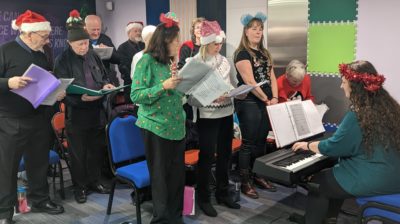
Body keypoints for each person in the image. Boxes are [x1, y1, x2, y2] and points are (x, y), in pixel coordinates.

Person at [291, 60, 400, 224]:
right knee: (335, 174)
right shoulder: (388, 107)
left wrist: (307, 145)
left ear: (355, 86)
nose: (341, 87)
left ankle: (311, 221)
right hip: (394, 175)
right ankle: (329, 219)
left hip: (377, 177)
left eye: (343, 82)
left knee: (319, 182)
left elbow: (334, 147)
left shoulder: (359, 114)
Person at [0, 10, 64, 223]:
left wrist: (56, 92)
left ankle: (40, 199)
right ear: (28, 34)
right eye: (44, 36)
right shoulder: (5, 51)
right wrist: (8, 83)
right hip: (11, 120)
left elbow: (45, 81)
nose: (47, 41)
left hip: (38, 117)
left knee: (39, 163)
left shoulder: (41, 52)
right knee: (7, 168)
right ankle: (5, 212)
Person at [130, 12, 185, 224]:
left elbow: (176, 95)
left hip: (175, 125)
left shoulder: (170, 62)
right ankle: (161, 220)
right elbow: (136, 95)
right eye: (176, 40)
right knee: (161, 178)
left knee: (177, 177)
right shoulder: (146, 61)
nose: (179, 44)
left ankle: (175, 217)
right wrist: (163, 86)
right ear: (165, 41)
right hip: (155, 126)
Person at [54, 10, 113, 204]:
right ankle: (80, 187)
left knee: (96, 150)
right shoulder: (62, 61)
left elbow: (104, 76)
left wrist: (106, 85)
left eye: (86, 43)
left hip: (97, 111)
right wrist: (80, 100)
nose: (84, 47)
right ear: (70, 43)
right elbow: (61, 91)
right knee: (78, 154)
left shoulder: (93, 55)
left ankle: (95, 181)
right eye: (80, 44)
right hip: (77, 114)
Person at [187, 20, 240, 217]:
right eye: (215, 43)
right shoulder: (194, 63)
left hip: (226, 113)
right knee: (207, 157)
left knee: (225, 154)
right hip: (207, 115)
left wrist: (237, 92)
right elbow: (188, 95)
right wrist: (210, 96)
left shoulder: (225, 61)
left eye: (220, 43)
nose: (218, 47)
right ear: (205, 43)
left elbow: (234, 83)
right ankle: (203, 198)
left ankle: (223, 192)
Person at [233, 12, 278, 199]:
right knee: (249, 142)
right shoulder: (242, 53)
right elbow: (250, 82)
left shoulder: (265, 53)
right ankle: (245, 181)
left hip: (266, 101)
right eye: (254, 29)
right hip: (250, 101)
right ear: (246, 31)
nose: (258, 32)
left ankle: (258, 175)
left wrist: (275, 97)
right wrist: (266, 99)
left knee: (261, 141)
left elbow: (271, 77)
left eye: (260, 29)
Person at [178, 17, 204, 150]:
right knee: (191, 127)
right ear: (193, 30)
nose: (200, 30)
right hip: (190, 93)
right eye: (197, 27)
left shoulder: (209, 46)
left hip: (205, 92)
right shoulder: (187, 46)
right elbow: (181, 68)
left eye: (202, 27)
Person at [85, 15, 120, 86]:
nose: (96, 33)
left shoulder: (105, 39)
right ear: (85, 28)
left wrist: (108, 51)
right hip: (88, 79)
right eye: (93, 30)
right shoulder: (81, 41)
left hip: (105, 78)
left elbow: (118, 59)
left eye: (98, 29)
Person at [117, 21, 145, 103]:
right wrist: (134, 77)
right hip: (130, 83)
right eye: (135, 31)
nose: (138, 33)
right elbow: (122, 66)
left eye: (140, 31)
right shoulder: (122, 47)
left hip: (145, 82)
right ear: (129, 33)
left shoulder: (144, 45)